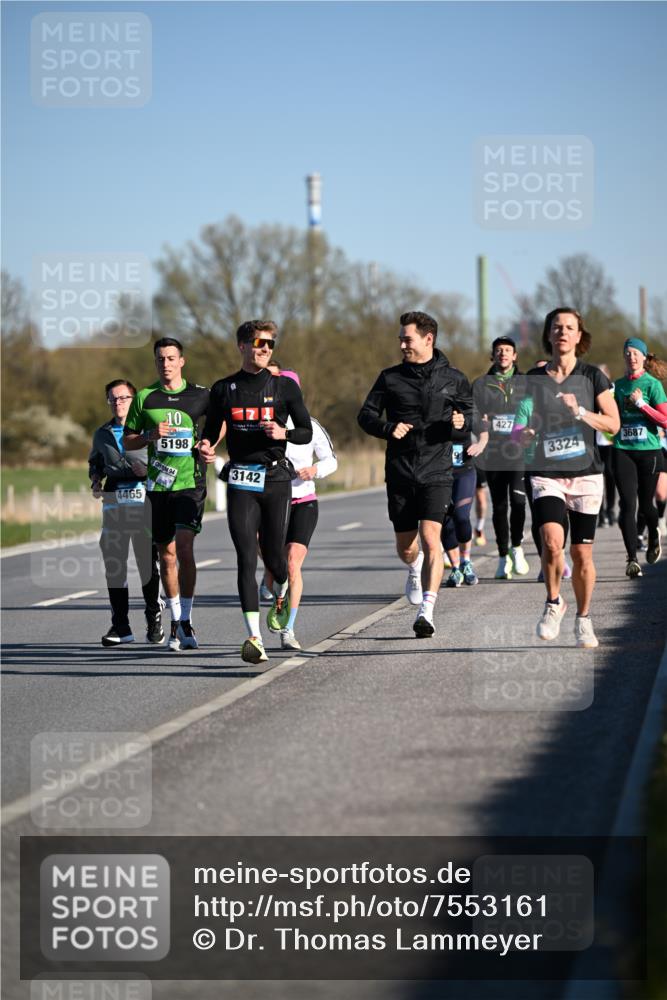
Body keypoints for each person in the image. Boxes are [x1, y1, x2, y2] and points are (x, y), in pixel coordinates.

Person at [199, 320, 313, 665]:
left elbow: (305, 431)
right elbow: (211, 429)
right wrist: (204, 445)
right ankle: (254, 637)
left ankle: (279, 590)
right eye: (258, 342)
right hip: (241, 480)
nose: (265, 348)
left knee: (275, 559)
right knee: (246, 557)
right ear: (242, 346)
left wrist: (284, 434)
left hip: (276, 480)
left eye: (270, 344)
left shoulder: (284, 388)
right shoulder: (224, 389)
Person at [358, 310, 473, 638]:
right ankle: (413, 567)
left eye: (407, 339)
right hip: (400, 471)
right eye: (400, 339)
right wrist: (388, 427)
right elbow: (365, 416)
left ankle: (427, 609)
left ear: (428, 339)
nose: (402, 344)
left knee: (431, 538)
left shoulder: (454, 378)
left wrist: (462, 425)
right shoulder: (389, 378)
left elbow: (471, 419)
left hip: (437, 471)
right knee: (408, 547)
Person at [512, 308, 620, 648]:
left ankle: (584, 618)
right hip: (546, 472)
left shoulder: (592, 378)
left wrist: (581, 412)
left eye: (569, 327)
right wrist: (523, 435)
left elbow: (613, 424)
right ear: (548, 335)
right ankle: (554, 601)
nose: (562, 332)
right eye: (556, 327)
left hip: (586, 474)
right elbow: (517, 427)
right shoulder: (533, 378)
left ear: (578, 336)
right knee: (551, 541)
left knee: (582, 555)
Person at [123, 338, 210, 651]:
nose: (166, 364)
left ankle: (186, 619)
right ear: (155, 362)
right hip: (157, 486)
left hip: (190, 483)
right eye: (160, 359)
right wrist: (148, 436)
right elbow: (128, 441)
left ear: (181, 361)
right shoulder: (145, 397)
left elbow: (219, 423)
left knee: (184, 548)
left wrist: (209, 445)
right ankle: (175, 621)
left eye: (171, 358)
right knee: (166, 554)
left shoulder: (201, 394)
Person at [263, 369, 338, 650]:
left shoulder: (311, 426)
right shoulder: (265, 424)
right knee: (274, 560)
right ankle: (272, 578)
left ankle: (289, 629)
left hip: (303, 501)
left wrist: (314, 470)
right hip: (271, 500)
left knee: (293, 562)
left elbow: (332, 460)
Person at [89, 380, 163, 646]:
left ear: (133, 400)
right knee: (114, 565)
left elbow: (167, 462)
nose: (118, 403)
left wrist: (149, 471)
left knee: (146, 565)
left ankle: (154, 617)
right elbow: (95, 461)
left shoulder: (148, 430)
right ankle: (121, 626)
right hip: (114, 504)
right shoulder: (102, 433)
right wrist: (96, 479)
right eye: (112, 399)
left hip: (145, 502)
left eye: (123, 398)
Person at [472, 336, 530, 579]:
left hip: (518, 452)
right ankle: (502, 555)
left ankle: (517, 547)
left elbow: (536, 410)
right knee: (499, 506)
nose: (503, 354)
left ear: (514, 356)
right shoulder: (481, 384)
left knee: (518, 502)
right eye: (499, 350)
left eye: (508, 350)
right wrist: (480, 427)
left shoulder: (527, 382)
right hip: (493, 452)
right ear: (493, 355)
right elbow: (471, 413)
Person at [611, 338, 667, 577]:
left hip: (649, 451)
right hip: (623, 449)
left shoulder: (652, 384)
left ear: (644, 357)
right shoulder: (618, 386)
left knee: (646, 506)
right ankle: (632, 558)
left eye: (635, 353)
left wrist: (641, 404)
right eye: (627, 353)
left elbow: (664, 420)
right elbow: (611, 420)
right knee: (626, 504)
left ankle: (653, 534)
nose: (631, 357)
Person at [441, 410, 486, 586]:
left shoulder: (463, 409)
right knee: (446, 519)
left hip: (464, 472)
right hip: (438, 474)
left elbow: (483, 432)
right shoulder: (430, 410)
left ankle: (466, 561)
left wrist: (481, 445)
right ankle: (455, 568)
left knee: (461, 516)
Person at [595, 364, 617, 527]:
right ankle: (600, 513)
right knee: (597, 477)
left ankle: (610, 509)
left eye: (603, 373)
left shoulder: (614, 390)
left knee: (609, 475)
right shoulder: (591, 389)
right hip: (595, 441)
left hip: (609, 441)